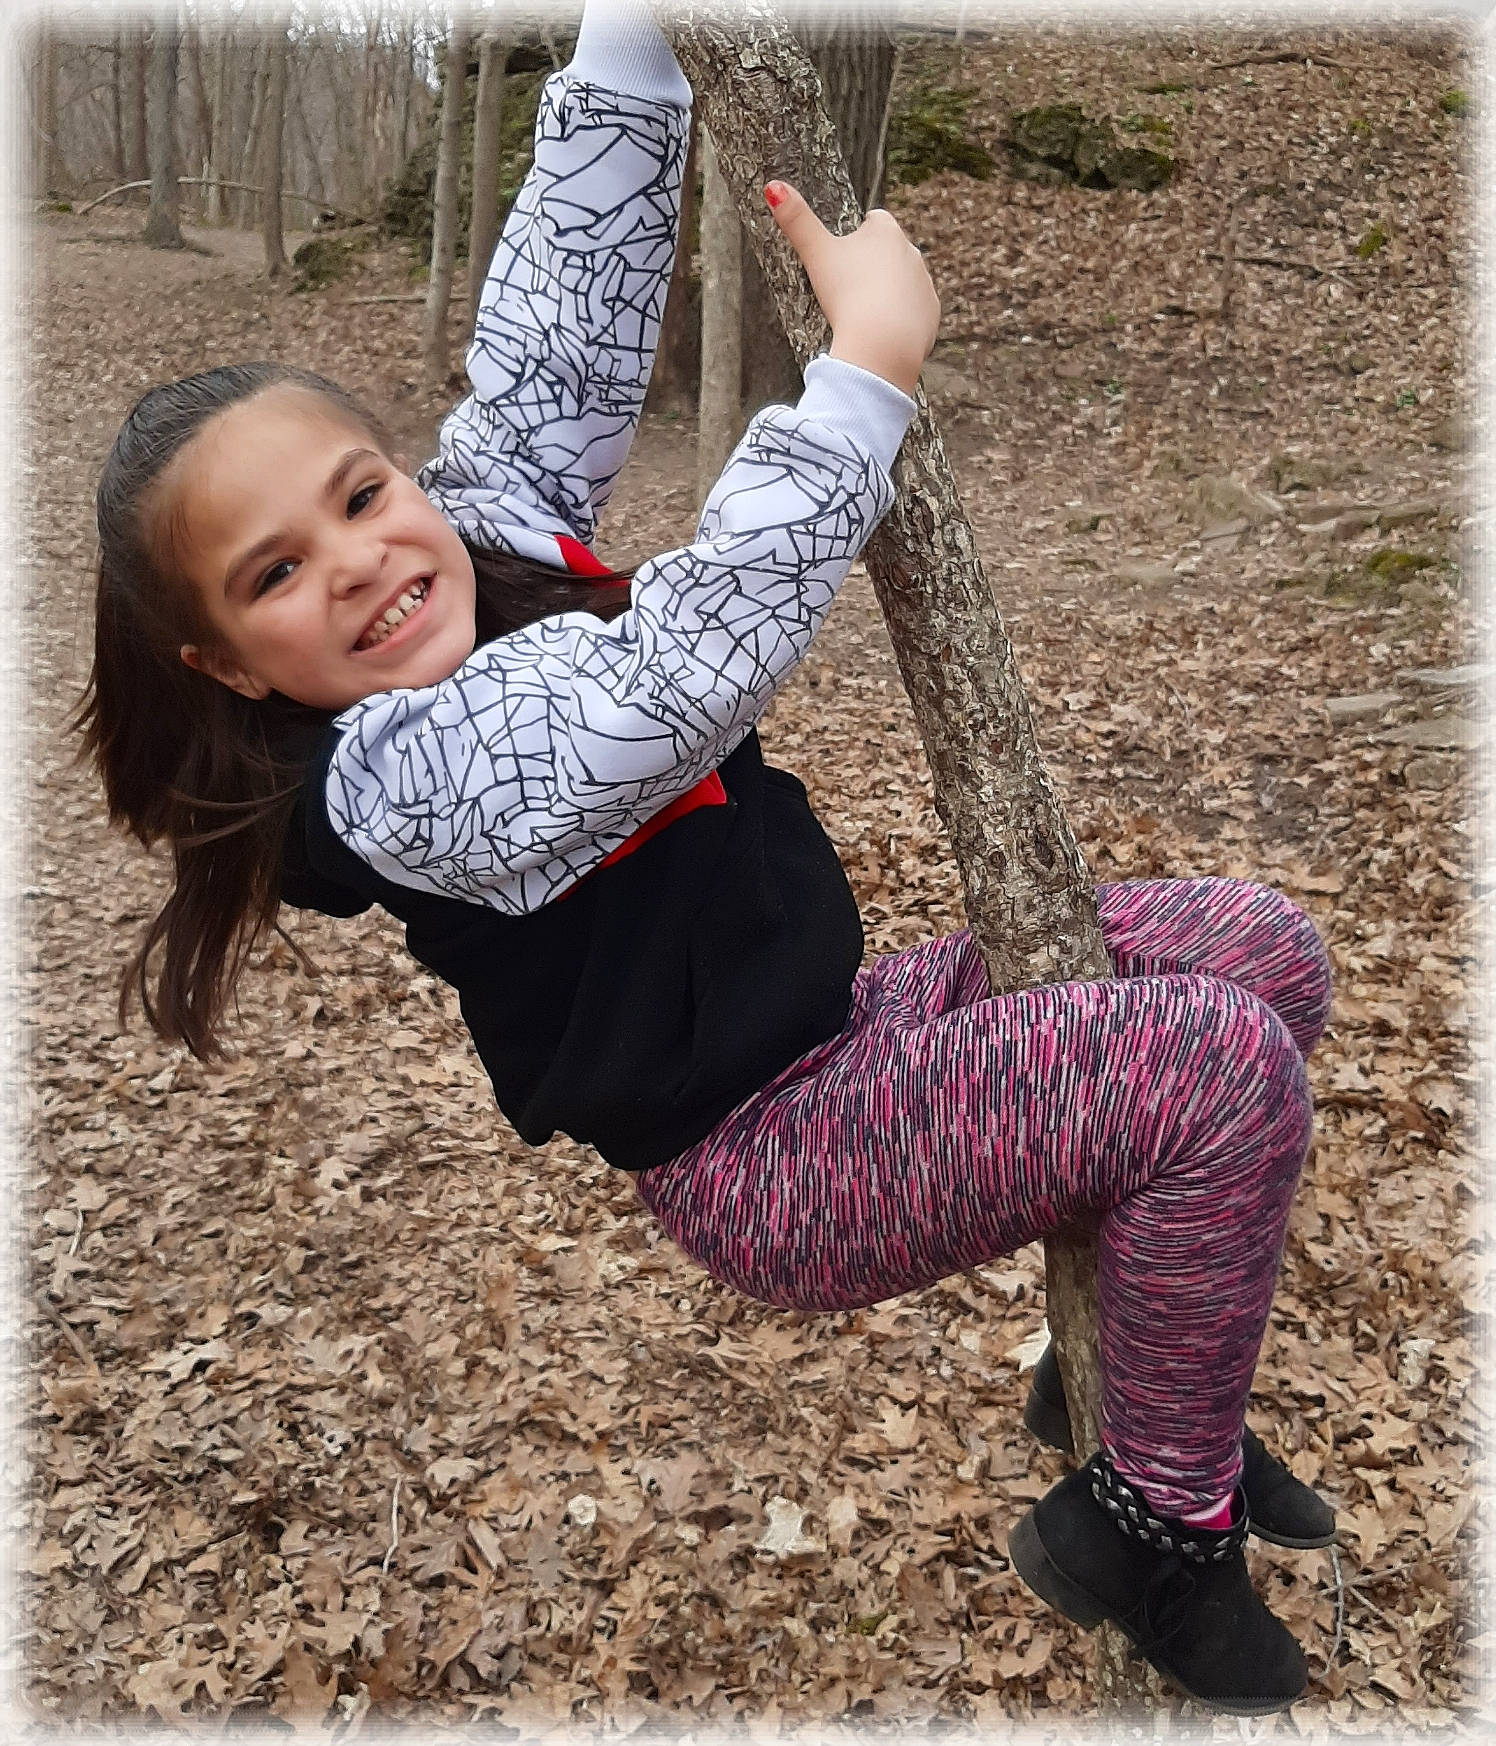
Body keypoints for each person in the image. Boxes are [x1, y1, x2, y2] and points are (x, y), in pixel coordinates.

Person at [81, 0, 1336, 1716]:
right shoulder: (395, 773)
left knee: (1260, 949)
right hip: (769, 1152)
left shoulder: (482, 532)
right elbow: (673, 677)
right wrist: (863, 379)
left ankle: (1130, 1390)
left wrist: (629, 44)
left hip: (847, 1025)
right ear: (229, 666)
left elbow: (558, 335)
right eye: (275, 575)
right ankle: (1155, 1524)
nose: (363, 563)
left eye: (363, 494)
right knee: (1215, 1072)